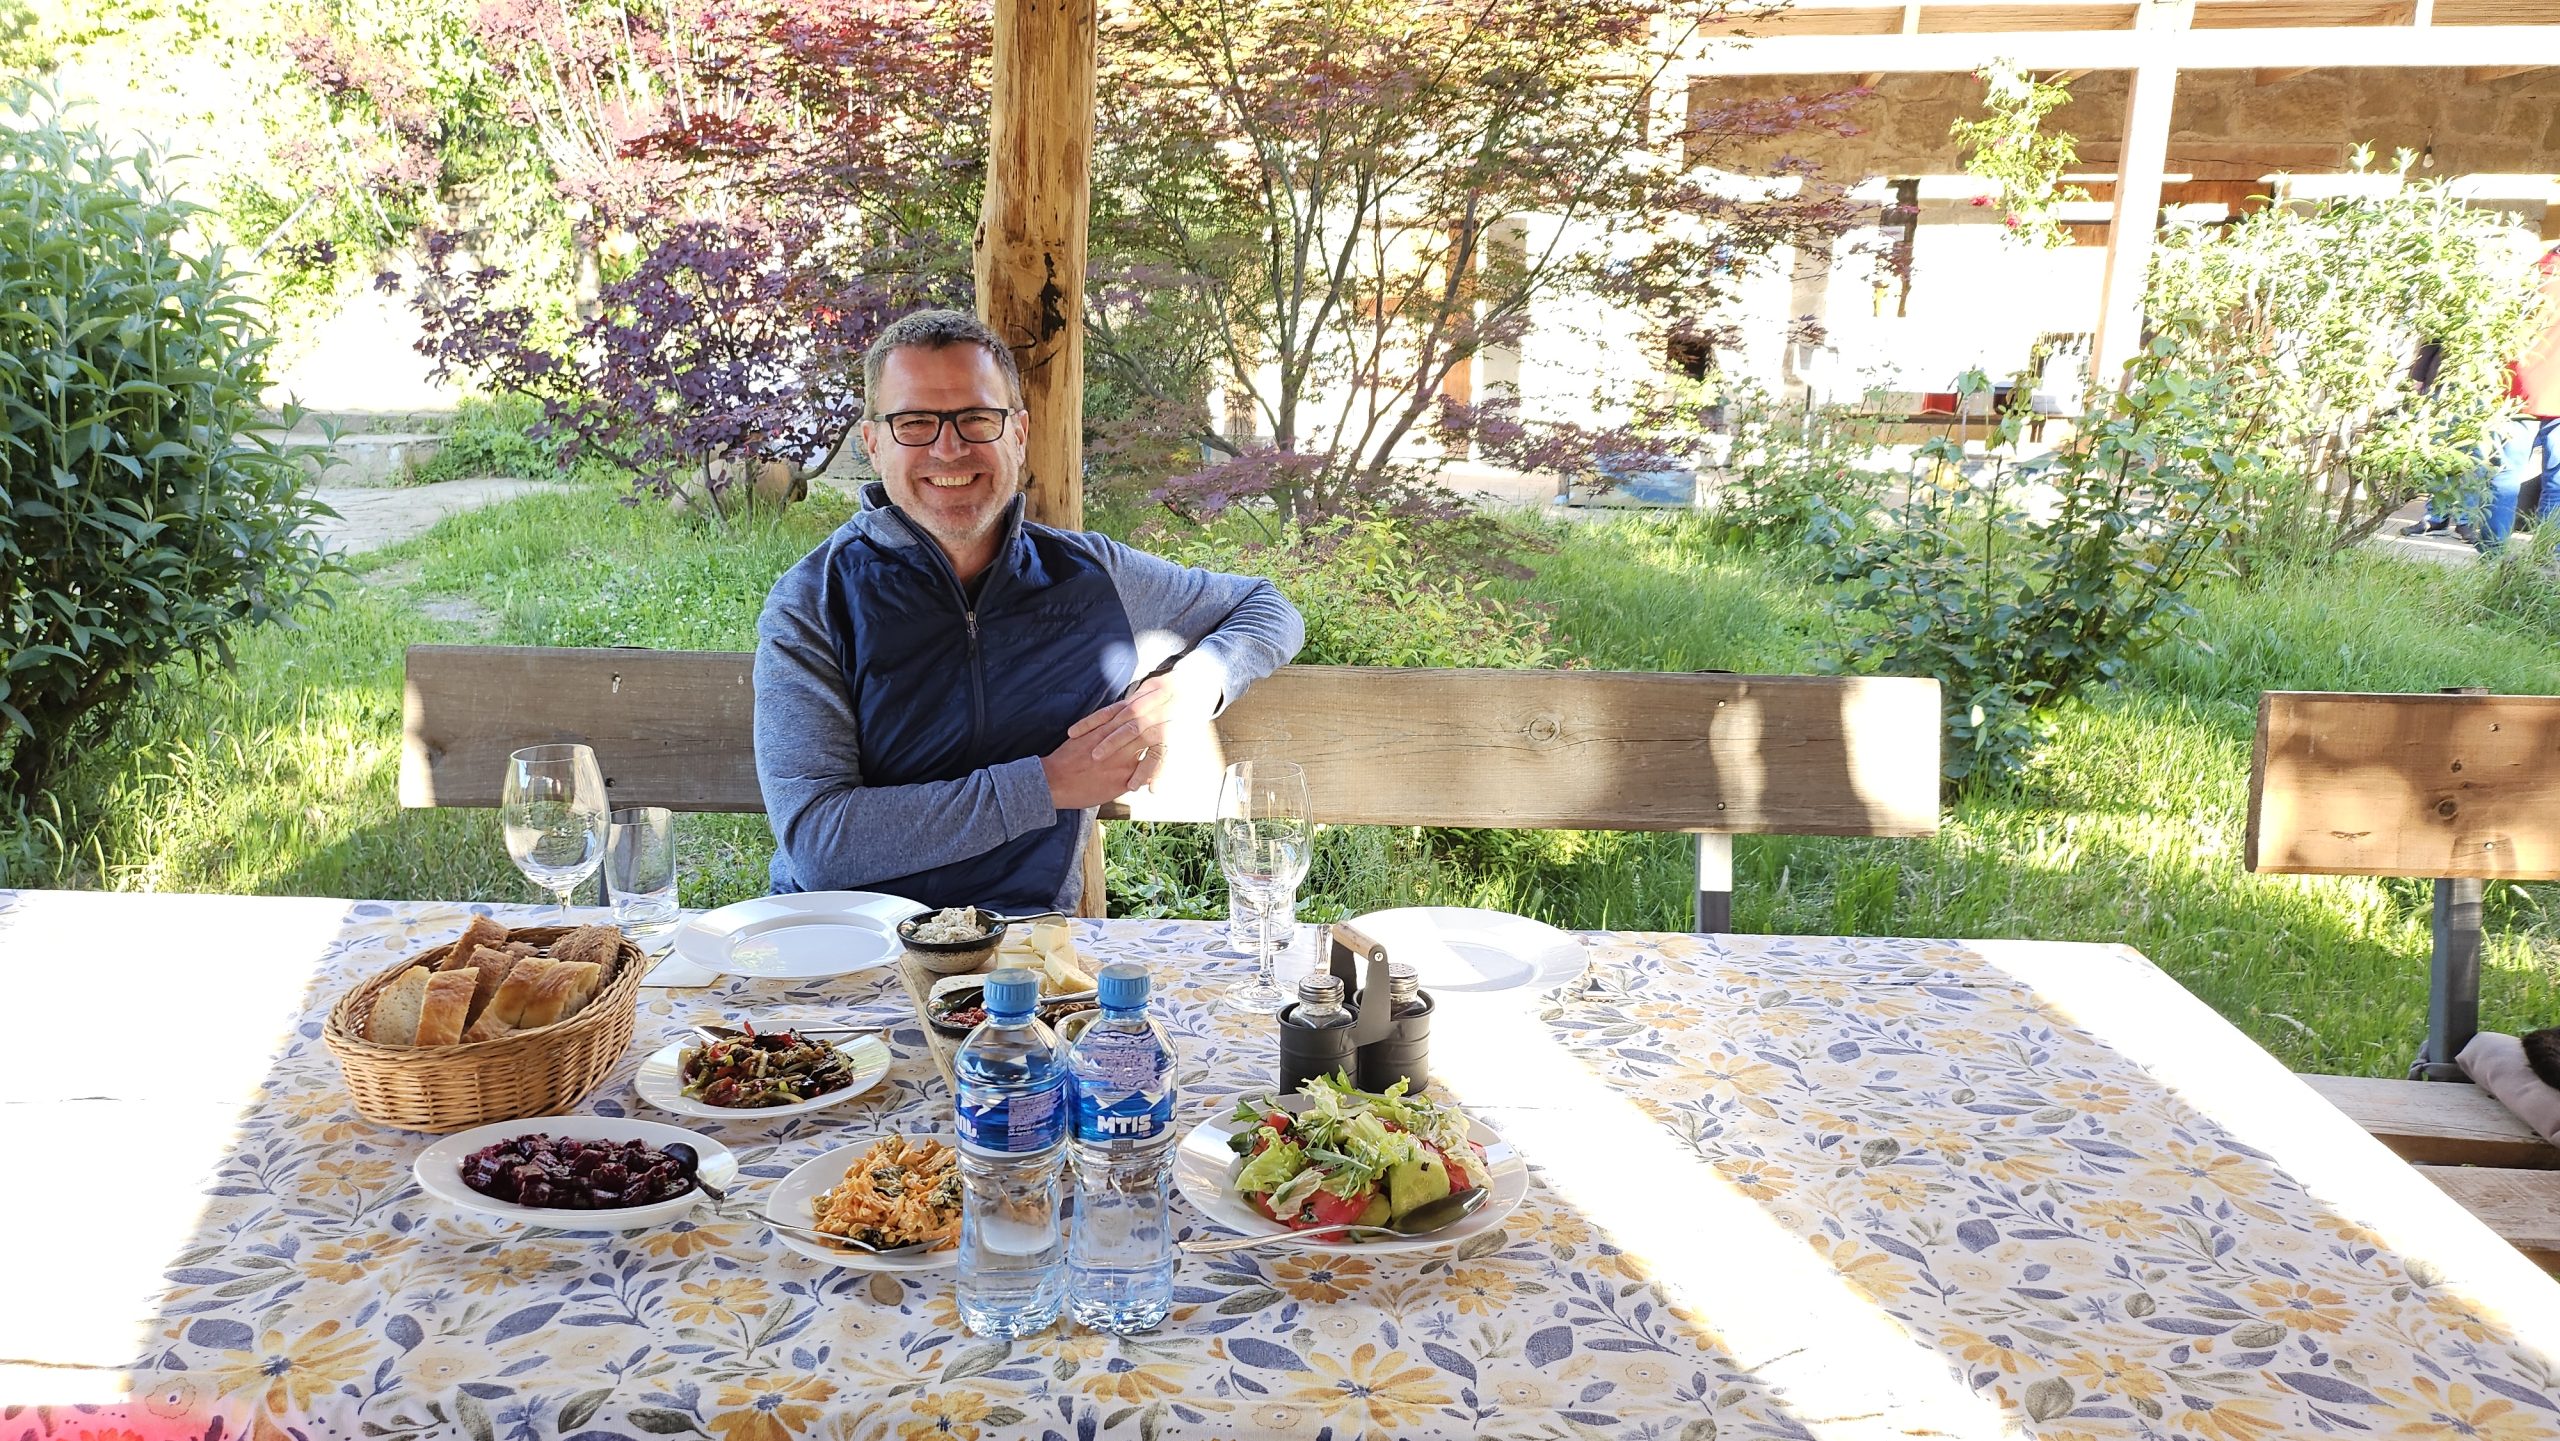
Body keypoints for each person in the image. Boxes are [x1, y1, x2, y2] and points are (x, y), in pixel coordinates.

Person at [752, 309, 1305, 912]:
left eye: (977, 419)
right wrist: (1046, 786)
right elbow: (819, 843)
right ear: (873, 442)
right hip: (846, 944)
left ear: (1018, 433)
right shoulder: (814, 599)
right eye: (914, 422)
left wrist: (1197, 684)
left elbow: (1268, 607)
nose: (949, 448)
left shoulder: (1092, 575)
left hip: (1024, 948)